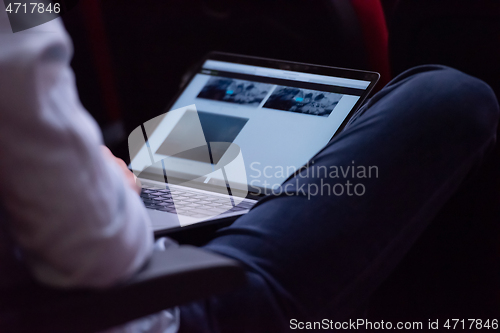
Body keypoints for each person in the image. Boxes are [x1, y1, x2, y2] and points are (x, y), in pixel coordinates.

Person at [1, 8, 499, 333]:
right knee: (450, 98)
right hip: (159, 307)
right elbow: (101, 258)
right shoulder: (15, 42)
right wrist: (115, 189)